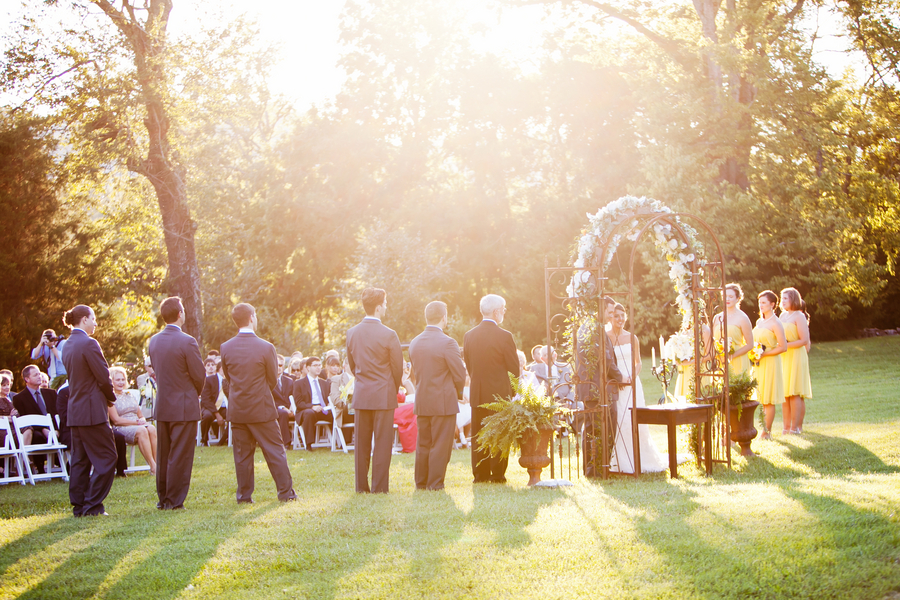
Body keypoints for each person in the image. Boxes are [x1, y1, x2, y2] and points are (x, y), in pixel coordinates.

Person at [220, 303, 296, 503]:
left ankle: (244, 496)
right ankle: (286, 493)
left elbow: (229, 378)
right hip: (261, 408)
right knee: (274, 451)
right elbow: (272, 379)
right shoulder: (266, 347)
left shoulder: (225, 347)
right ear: (252, 317)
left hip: (238, 409)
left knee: (242, 455)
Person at [147, 296, 206, 510]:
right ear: (180, 313)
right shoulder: (187, 341)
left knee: (163, 454)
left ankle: (163, 498)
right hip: (183, 404)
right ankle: (174, 500)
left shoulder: (153, 341)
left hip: (162, 404)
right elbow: (199, 375)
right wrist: (194, 393)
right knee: (180, 454)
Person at [61, 304, 117, 517]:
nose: (96, 323)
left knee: (80, 460)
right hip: (92, 410)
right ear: (84, 319)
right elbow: (103, 376)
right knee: (107, 458)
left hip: (76, 410)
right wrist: (111, 398)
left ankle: (79, 505)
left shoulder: (67, 345)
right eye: (93, 318)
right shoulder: (88, 343)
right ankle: (92, 505)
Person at [345, 287, 403, 493]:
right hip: (383, 394)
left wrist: (362, 380)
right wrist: (392, 387)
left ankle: (361, 487)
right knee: (382, 442)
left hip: (362, 394)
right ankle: (379, 488)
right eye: (385, 304)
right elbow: (397, 368)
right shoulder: (389, 334)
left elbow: (353, 366)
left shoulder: (351, 333)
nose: (386, 307)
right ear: (378, 307)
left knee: (360, 444)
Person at [409, 301, 467, 491]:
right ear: (444, 317)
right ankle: (435, 484)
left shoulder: (415, 342)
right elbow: (459, 374)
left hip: (423, 399)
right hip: (443, 401)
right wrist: (458, 393)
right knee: (441, 444)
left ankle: (421, 482)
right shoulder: (448, 342)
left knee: (423, 443)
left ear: (427, 317)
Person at [464, 294, 519, 484]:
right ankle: (497, 474)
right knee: (499, 433)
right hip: (500, 394)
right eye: (503, 309)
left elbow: (469, 366)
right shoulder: (505, 336)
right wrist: (512, 392)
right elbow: (514, 370)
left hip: (478, 392)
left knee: (478, 434)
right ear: (496, 312)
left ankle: (480, 475)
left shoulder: (469, 336)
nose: (504, 312)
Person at [606, 304, 666, 473]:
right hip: (616, 382)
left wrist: (633, 376)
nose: (620, 319)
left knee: (634, 418)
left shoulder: (632, 338)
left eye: (622, 315)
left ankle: (639, 457)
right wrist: (618, 379)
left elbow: (638, 362)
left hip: (632, 383)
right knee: (619, 419)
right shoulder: (606, 337)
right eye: (616, 316)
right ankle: (619, 459)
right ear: (610, 318)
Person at [575, 296, 625, 478]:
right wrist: (620, 377)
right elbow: (605, 358)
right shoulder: (593, 328)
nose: (611, 316)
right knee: (597, 428)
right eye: (610, 312)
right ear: (600, 309)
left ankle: (597, 468)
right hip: (596, 388)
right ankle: (594, 470)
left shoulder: (590, 326)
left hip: (594, 387)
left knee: (595, 428)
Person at [108, 366, 158, 475]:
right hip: (122, 427)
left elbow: (140, 415)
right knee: (142, 430)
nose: (121, 382)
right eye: (118, 380)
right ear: (111, 381)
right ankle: (153, 466)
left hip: (137, 424)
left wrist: (142, 420)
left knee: (151, 428)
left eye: (123, 379)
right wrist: (137, 423)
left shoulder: (129, 395)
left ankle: (156, 463)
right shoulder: (110, 398)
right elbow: (116, 420)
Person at [753, 291, 787, 439]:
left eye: (764, 302)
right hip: (758, 363)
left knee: (768, 399)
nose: (761, 305)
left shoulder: (776, 322)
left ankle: (766, 432)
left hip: (771, 362)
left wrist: (764, 354)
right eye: (759, 302)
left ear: (772, 304)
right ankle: (762, 429)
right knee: (760, 397)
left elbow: (783, 346)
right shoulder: (759, 322)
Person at [780, 287, 812, 434]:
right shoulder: (782, 316)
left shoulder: (799, 316)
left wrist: (785, 345)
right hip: (784, 356)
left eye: (785, 298)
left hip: (797, 356)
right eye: (782, 298)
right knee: (785, 393)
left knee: (795, 392)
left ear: (793, 299)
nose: (783, 301)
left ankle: (796, 427)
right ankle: (786, 427)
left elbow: (804, 340)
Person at [12, 365, 58, 454]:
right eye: (35, 375)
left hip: (55, 428)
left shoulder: (51, 393)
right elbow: (24, 419)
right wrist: (43, 429)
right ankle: (39, 467)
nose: (39, 377)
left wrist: (56, 430)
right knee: (37, 437)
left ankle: (67, 465)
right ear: (27, 379)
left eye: (39, 374)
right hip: (36, 430)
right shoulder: (19, 398)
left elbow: (57, 413)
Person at [712, 283, 754, 378]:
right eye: (725, 296)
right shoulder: (717, 317)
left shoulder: (743, 318)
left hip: (738, 359)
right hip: (720, 361)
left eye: (730, 296)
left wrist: (732, 356)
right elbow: (712, 339)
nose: (727, 299)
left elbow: (750, 344)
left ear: (738, 298)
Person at [292, 356, 332, 451]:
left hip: (323, 410)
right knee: (309, 413)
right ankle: (309, 445)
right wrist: (312, 407)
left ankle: (343, 442)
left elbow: (328, 399)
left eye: (319, 365)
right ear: (308, 367)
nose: (318, 368)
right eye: (315, 365)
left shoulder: (325, 383)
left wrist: (329, 405)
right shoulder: (299, 383)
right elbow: (299, 403)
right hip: (307, 410)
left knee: (339, 412)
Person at [199, 359, 229, 446]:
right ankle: (204, 440)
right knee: (207, 416)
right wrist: (216, 414)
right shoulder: (209, 380)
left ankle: (222, 441)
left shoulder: (229, 381)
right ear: (220, 368)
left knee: (234, 416)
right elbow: (206, 399)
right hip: (211, 407)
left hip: (223, 407)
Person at [272, 354, 295, 449]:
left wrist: (291, 408)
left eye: (281, 365)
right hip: (274, 408)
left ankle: (305, 442)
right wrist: (283, 408)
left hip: (289, 408)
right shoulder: (267, 381)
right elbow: (269, 399)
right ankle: (286, 443)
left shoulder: (289, 381)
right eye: (276, 365)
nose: (279, 368)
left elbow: (293, 396)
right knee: (282, 414)